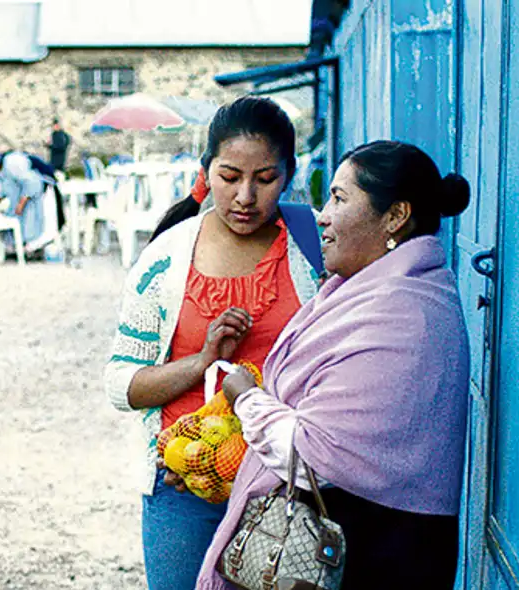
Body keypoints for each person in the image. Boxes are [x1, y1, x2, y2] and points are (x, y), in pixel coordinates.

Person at [195, 140, 471, 590]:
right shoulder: (366, 294)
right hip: (361, 540)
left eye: (340, 199)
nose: (321, 215)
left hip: (373, 553)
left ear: (395, 217)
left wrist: (246, 398)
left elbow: (311, 456)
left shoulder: (403, 314)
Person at [103, 96, 321, 590]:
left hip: (286, 483)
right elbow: (121, 385)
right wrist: (203, 362)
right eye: (229, 177)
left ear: (289, 173)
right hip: (184, 487)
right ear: (206, 171)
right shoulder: (166, 261)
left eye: (265, 179)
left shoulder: (314, 252)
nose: (246, 195)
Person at [0, 147, 65, 253]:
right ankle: (22, 249)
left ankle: (37, 250)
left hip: (43, 189)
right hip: (26, 194)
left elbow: (32, 183)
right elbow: (7, 188)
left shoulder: (12, 163)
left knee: (42, 224)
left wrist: (21, 203)